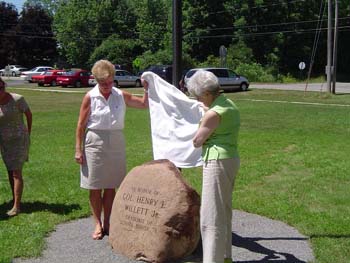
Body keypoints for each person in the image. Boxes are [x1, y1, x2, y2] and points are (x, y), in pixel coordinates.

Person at [75, 60, 149, 240]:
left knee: (110, 185)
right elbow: (81, 125)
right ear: (96, 80)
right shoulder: (90, 97)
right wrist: (78, 149)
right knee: (94, 186)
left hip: (116, 141)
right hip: (95, 141)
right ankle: (97, 224)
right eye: (102, 83)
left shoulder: (120, 94)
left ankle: (108, 222)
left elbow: (143, 104)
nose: (107, 86)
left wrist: (147, 88)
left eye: (109, 82)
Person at [186, 70, 240, 263]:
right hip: (231, 159)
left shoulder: (212, 114)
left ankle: (212, 259)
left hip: (216, 162)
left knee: (211, 216)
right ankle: (225, 256)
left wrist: (203, 117)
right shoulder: (229, 105)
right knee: (224, 210)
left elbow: (197, 141)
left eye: (199, 96)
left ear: (207, 94)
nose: (199, 99)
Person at [0, 77, 32, 217]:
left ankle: (16, 207)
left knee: (16, 172)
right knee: (9, 171)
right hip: (4, 141)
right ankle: (15, 199)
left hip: (19, 140)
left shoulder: (17, 99)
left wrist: (28, 132)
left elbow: (28, 114)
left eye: (1, 87)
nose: (1, 91)